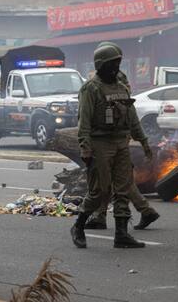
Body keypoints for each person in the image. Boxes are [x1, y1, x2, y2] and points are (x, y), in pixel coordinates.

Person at [70, 44, 153, 249]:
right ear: (101, 65)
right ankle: (78, 226)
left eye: (118, 62)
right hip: (100, 143)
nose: (116, 67)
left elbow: (132, 118)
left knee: (123, 189)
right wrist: (85, 148)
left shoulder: (121, 87)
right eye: (112, 63)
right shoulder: (91, 88)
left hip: (120, 142)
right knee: (99, 191)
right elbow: (85, 122)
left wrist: (143, 141)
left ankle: (122, 234)